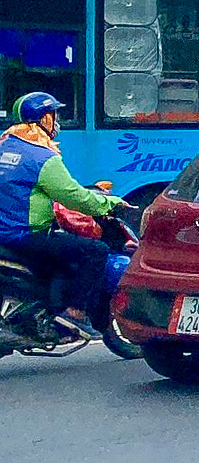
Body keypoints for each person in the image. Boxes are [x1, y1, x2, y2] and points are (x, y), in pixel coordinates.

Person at [0, 91, 123, 339]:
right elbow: (74, 197)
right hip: (25, 236)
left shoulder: (4, 144)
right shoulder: (42, 156)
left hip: (5, 235)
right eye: (54, 115)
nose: (57, 121)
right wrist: (110, 203)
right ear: (44, 119)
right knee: (95, 251)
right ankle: (75, 313)